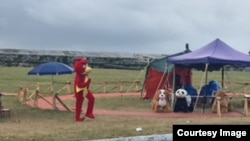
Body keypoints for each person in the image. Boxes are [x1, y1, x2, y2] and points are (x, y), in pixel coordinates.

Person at [73, 58, 95, 122]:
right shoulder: (78, 76)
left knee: (92, 98)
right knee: (79, 104)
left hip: (85, 90)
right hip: (79, 91)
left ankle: (89, 113)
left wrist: (87, 84)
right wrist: (87, 83)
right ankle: (77, 118)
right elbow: (79, 85)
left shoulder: (84, 74)